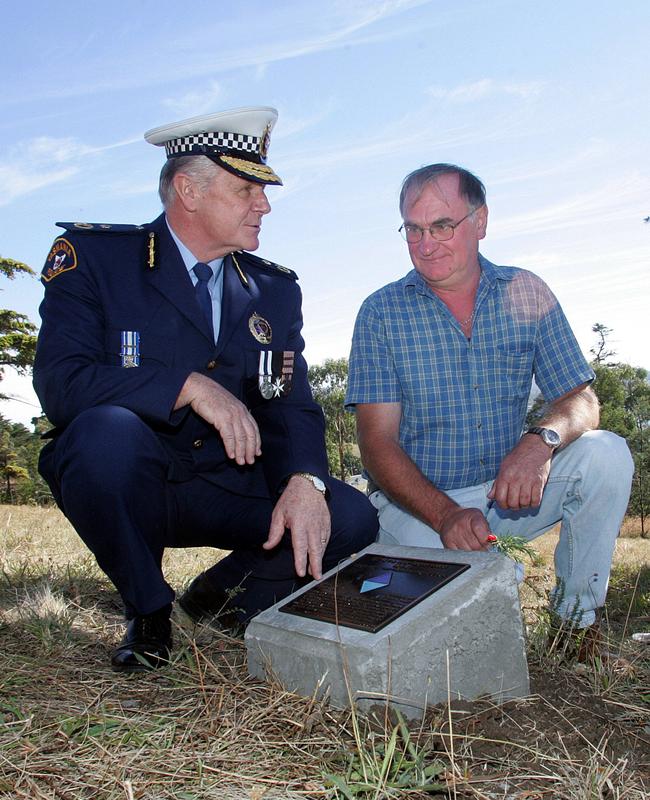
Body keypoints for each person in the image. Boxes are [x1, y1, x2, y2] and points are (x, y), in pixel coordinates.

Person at [33, 107, 378, 673]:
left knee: (350, 517)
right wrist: (185, 385)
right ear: (188, 191)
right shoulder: (98, 260)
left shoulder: (272, 290)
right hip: (133, 475)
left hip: (229, 482)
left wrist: (304, 479)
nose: (263, 204)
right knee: (102, 435)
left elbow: (289, 402)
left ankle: (219, 600)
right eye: (245, 189)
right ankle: (149, 610)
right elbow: (61, 383)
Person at [346, 163, 633, 638]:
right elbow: (376, 444)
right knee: (473, 623)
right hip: (419, 507)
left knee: (606, 453)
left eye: (441, 225)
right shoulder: (382, 312)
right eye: (413, 229)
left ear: (480, 222)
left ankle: (576, 625)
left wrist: (540, 442)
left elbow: (580, 399)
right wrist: (445, 515)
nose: (425, 243)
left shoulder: (527, 291)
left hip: (509, 492)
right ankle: (463, 578)